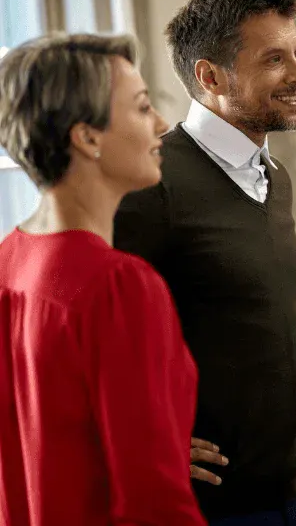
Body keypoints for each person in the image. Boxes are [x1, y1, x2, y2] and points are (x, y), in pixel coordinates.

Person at [113, 0, 296, 525]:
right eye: (275, 59)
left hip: (285, 491)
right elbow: (86, 336)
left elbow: (263, 320)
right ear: (210, 76)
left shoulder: (276, 178)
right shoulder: (151, 182)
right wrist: (140, 440)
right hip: (203, 508)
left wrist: (289, 432)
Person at [0, 34, 204, 525]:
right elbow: (154, 505)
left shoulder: (7, 263)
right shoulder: (119, 286)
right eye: (141, 107)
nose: (160, 125)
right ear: (87, 137)